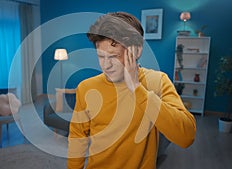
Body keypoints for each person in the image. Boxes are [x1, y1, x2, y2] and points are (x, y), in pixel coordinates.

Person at [67, 12, 196, 169]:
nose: (106, 65)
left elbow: (186, 137)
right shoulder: (86, 88)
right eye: (101, 56)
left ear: (137, 50)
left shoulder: (157, 82)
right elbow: (77, 138)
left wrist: (136, 88)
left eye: (114, 56)